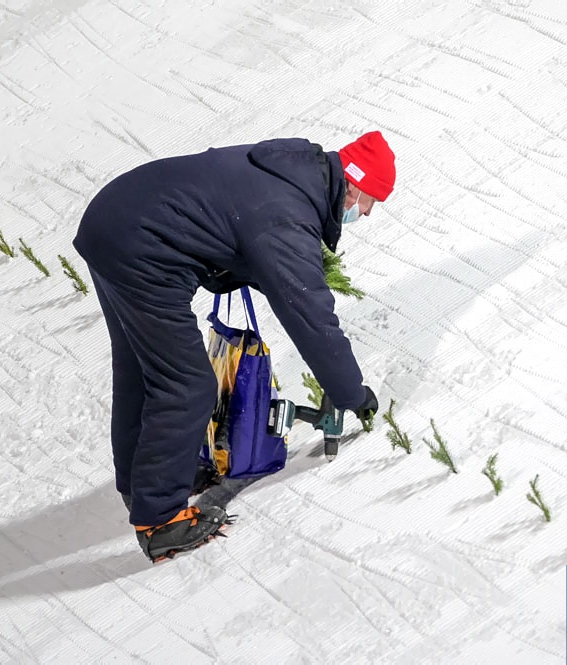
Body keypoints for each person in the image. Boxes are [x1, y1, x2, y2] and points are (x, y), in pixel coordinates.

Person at [72, 131, 393, 561]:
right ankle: (160, 521)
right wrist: (351, 391)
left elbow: (235, 224)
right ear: (353, 185)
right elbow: (310, 314)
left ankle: (145, 486)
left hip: (113, 219)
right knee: (186, 384)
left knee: (139, 371)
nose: (367, 213)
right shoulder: (287, 215)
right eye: (371, 201)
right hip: (142, 248)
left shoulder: (290, 172)